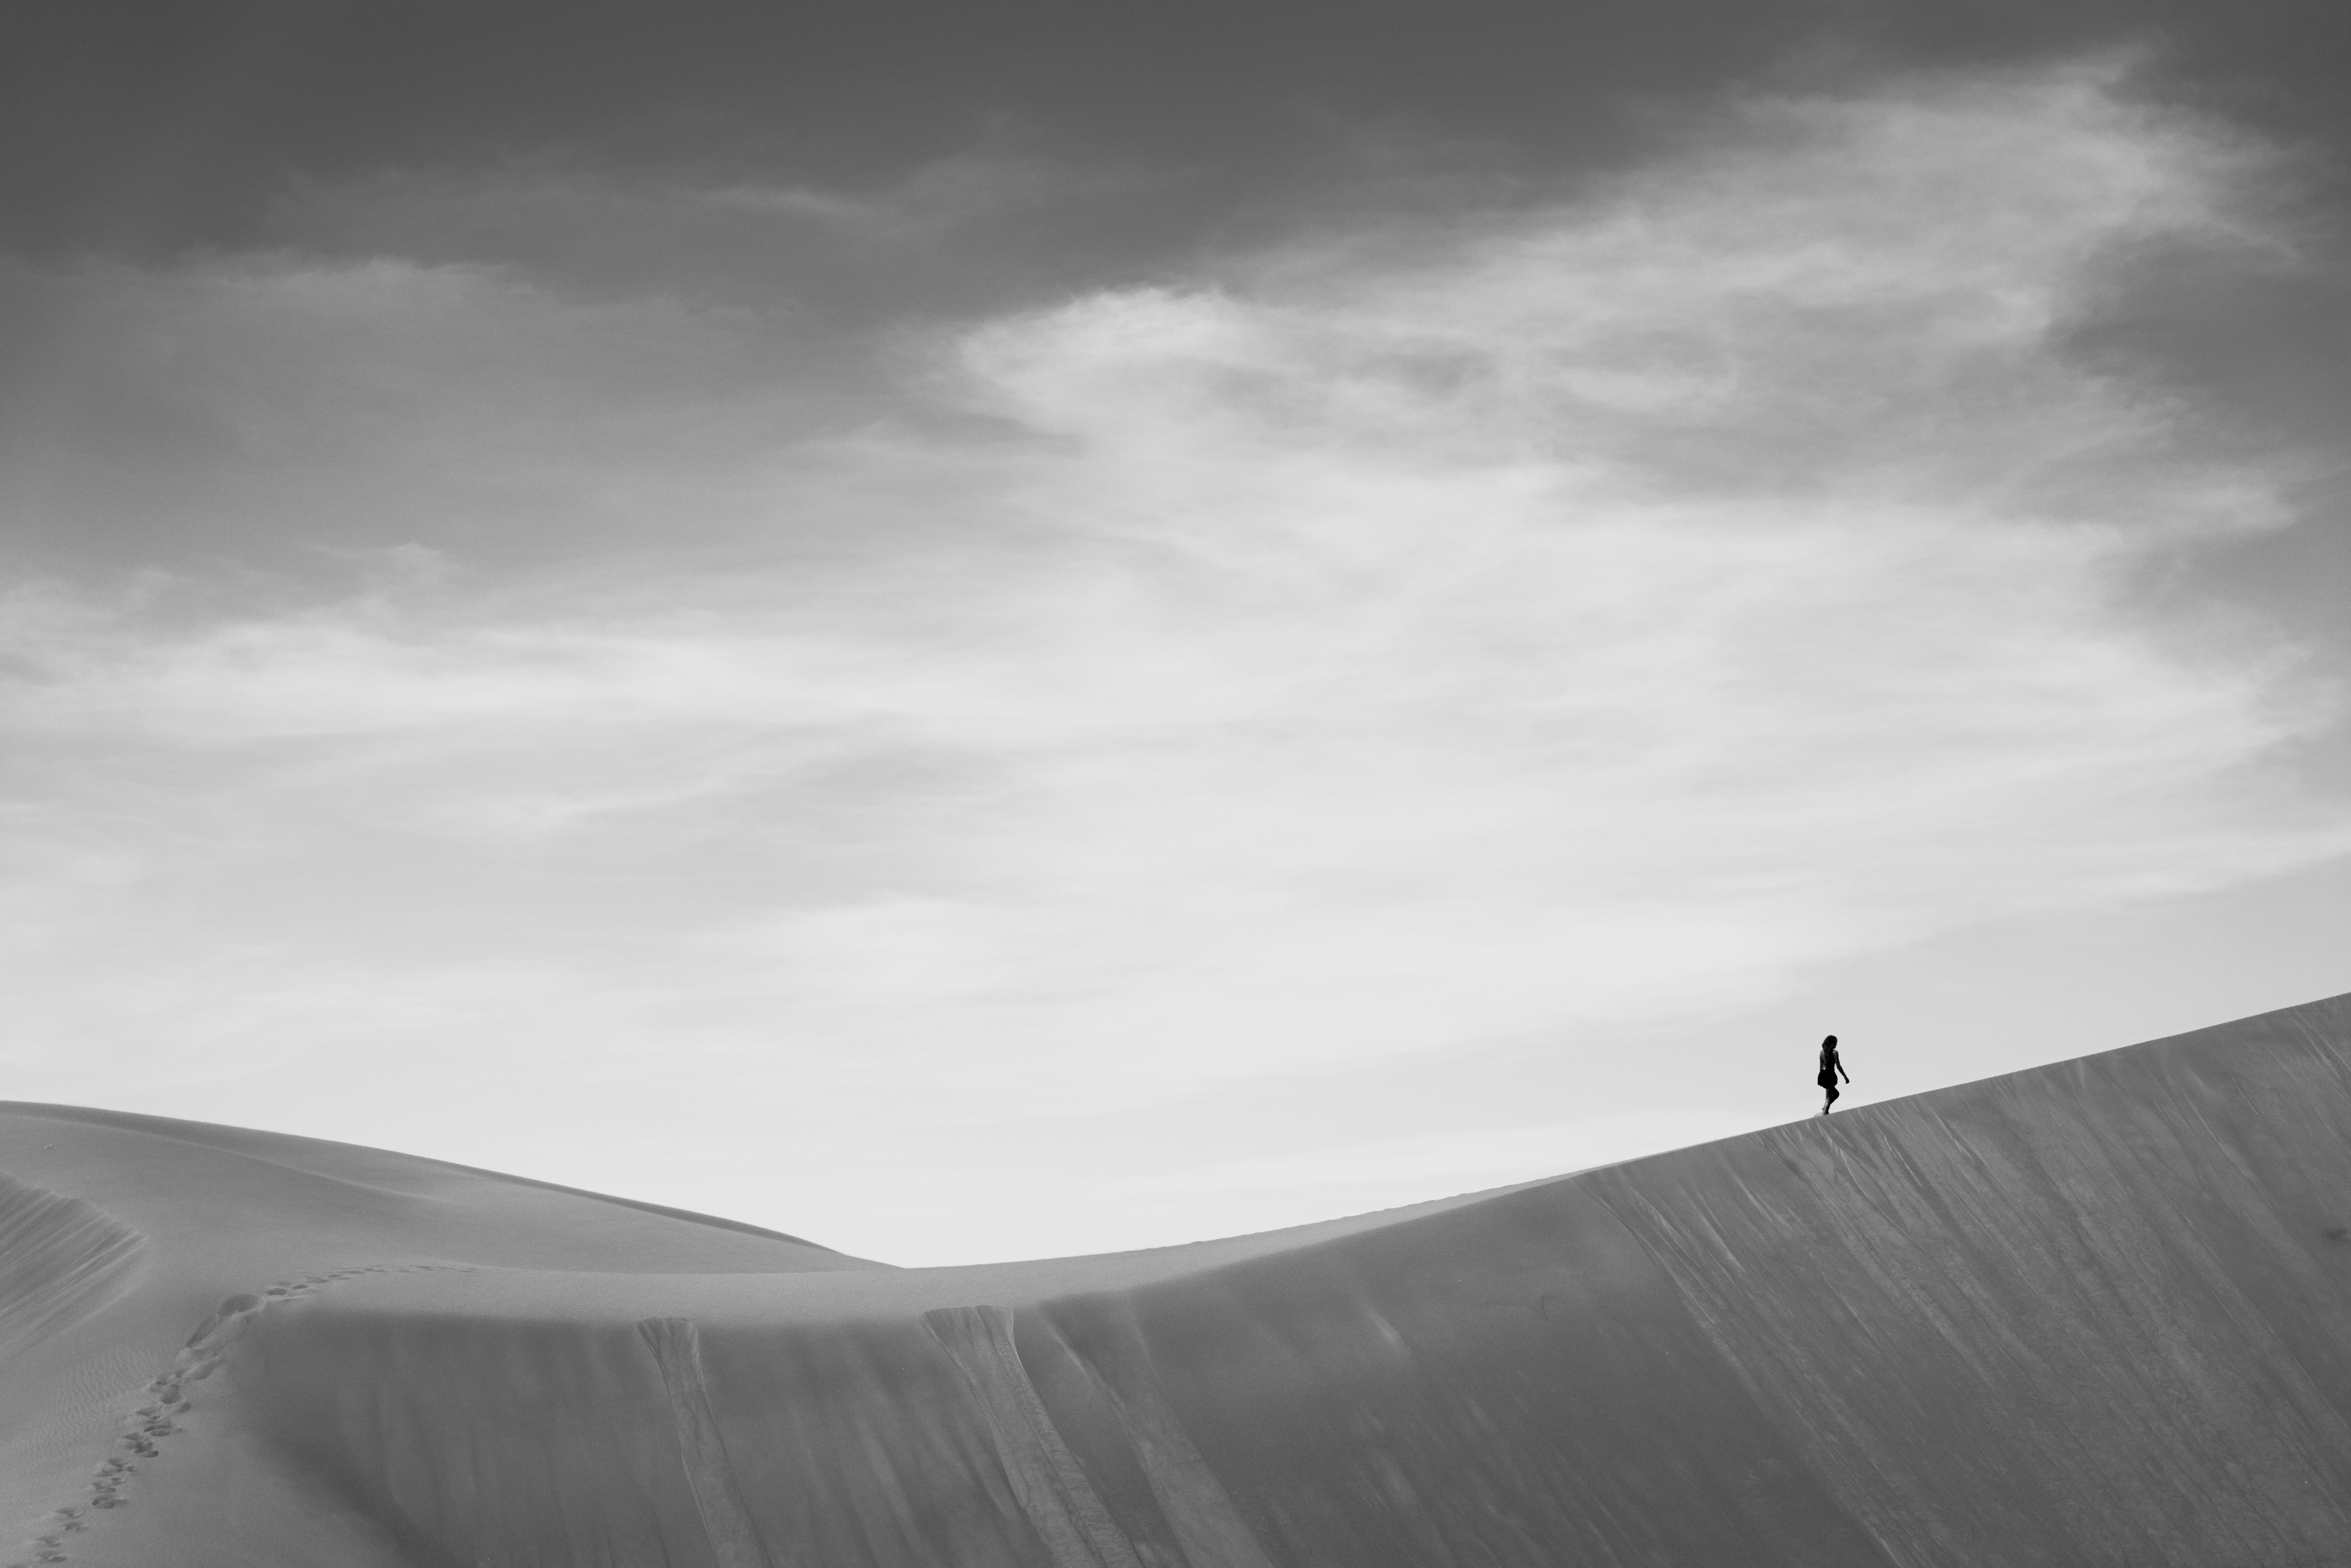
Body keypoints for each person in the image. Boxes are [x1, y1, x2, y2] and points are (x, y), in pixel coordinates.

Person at [1817, 1034, 1850, 1114]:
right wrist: (1845, 1077)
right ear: (1832, 1044)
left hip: (1823, 1074)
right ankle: (1825, 1115)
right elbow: (1838, 1066)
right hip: (1830, 1074)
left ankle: (1825, 1108)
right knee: (1828, 1098)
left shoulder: (1822, 1053)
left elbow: (1821, 1066)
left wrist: (1822, 1077)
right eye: (1835, 1043)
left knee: (1836, 1094)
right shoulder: (1835, 1053)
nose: (1836, 1045)